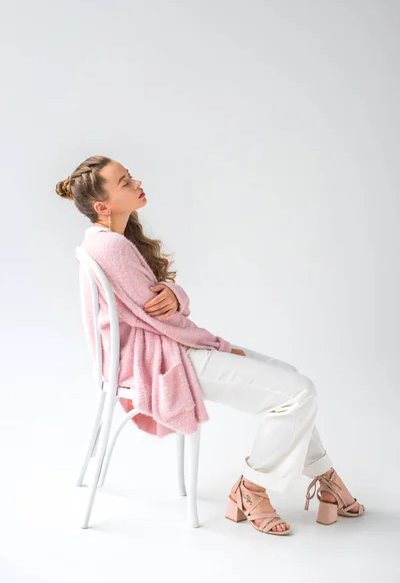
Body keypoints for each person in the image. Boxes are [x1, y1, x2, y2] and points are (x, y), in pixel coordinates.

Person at [55, 155, 365, 536]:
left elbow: (160, 304)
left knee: (290, 379)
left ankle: (326, 477)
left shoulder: (109, 241)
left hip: (162, 349)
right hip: (160, 360)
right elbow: (163, 318)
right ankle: (251, 489)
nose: (136, 182)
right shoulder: (113, 248)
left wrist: (176, 295)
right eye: (124, 182)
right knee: (298, 393)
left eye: (130, 175)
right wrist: (218, 344)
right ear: (103, 206)